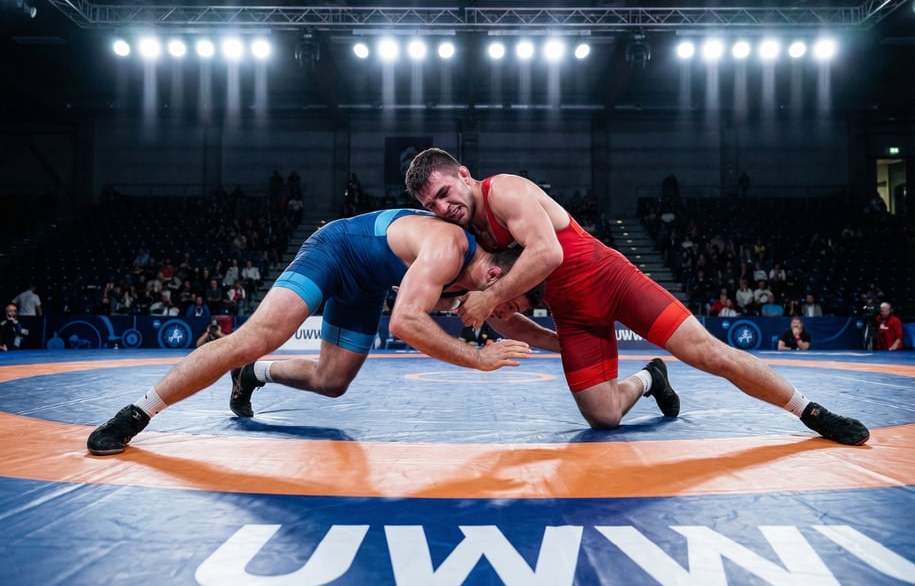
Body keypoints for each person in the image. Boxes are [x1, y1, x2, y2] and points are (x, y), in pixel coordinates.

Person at [405, 148, 868, 445]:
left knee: (708, 353)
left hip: (610, 280)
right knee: (603, 417)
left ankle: (810, 411)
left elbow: (546, 254)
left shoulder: (506, 190)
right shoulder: (463, 237)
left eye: (445, 193)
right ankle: (651, 378)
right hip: (572, 314)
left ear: (464, 175)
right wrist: (482, 312)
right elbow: (496, 306)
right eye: (431, 206)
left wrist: (487, 300)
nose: (444, 208)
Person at [86, 209, 534, 455]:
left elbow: (479, 310)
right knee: (257, 335)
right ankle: (136, 414)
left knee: (332, 381)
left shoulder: (472, 277)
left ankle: (252, 375)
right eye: (508, 301)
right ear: (495, 276)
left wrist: (562, 341)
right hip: (336, 249)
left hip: (367, 283)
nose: (503, 313)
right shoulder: (450, 247)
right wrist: (476, 358)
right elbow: (405, 321)